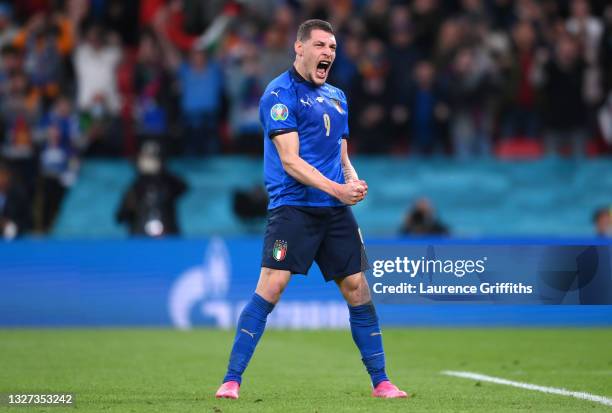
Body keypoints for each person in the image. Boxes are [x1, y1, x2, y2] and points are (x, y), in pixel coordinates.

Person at [215, 19, 409, 400]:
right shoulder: (278, 94)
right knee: (272, 285)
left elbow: (340, 151)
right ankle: (232, 379)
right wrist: (338, 188)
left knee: (357, 288)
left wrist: (352, 180)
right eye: (320, 45)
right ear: (299, 48)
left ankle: (382, 381)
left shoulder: (337, 96)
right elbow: (290, 161)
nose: (328, 54)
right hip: (294, 207)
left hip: (334, 209)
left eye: (333, 48)